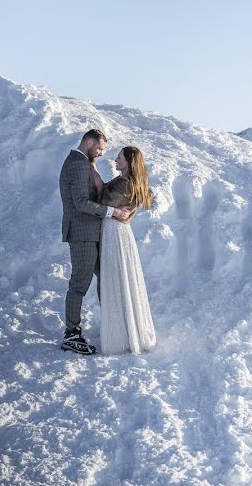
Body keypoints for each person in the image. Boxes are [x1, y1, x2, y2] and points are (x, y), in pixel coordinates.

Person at [59, 129, 131, 355]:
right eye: (99, 149)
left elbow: (96, 192)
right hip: (82, 233)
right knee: (79, 283)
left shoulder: (85, 163)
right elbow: (81, 203)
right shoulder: (78, 165)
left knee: (105, 278)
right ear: (88, 142)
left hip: (92, 232)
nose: (101, 154)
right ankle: (71, 334)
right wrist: (113, 212)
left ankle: (113, 325)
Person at [98, 146, 156, 354]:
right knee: (126, 279)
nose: (115, 159)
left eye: (120, 157)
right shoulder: (135, 183)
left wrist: (97, 182)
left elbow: (102, 202)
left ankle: (120, 334)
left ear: (129, 162)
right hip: (122, 232)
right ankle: (130, 329)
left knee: (116, 280)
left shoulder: (123, 183)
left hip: (113, 231)